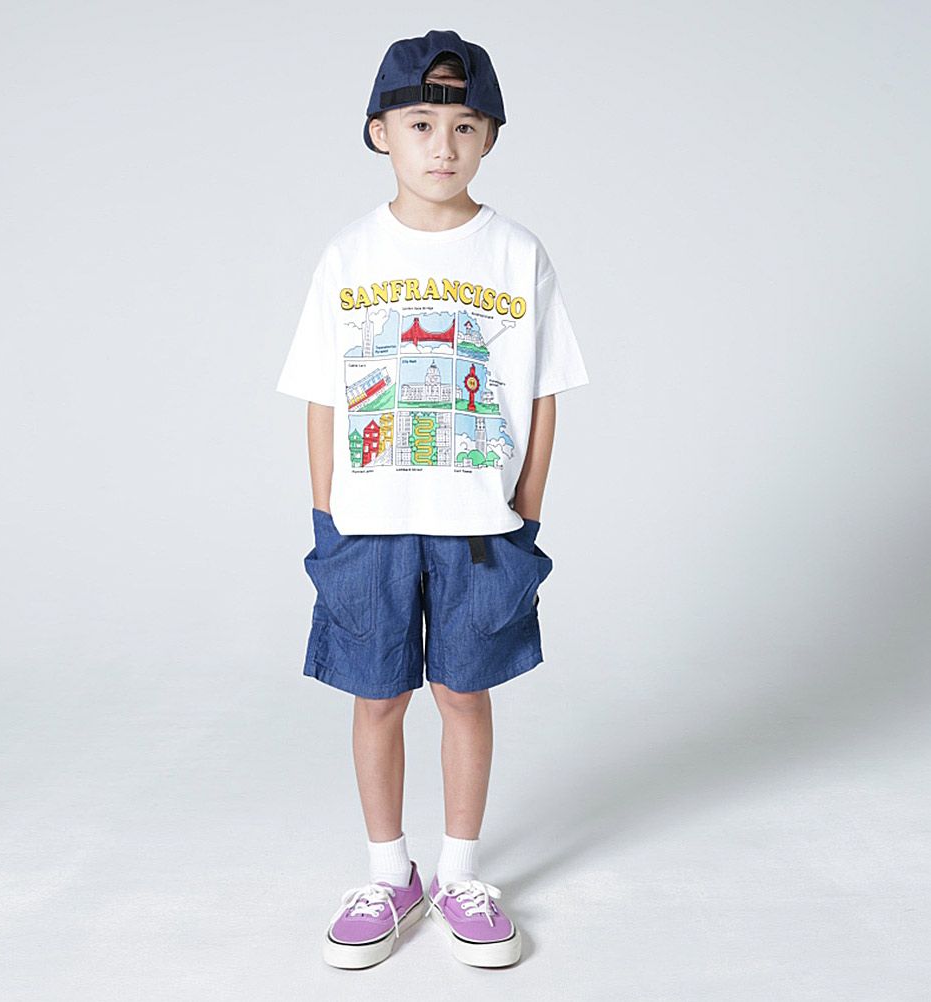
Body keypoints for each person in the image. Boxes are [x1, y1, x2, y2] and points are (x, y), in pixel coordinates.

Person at [275, 29, 590, 970]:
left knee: (463, 691)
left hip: (481, 523)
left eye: (463, 126)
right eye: (420, 124)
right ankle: (388, 873)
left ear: (489, 137)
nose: (442, 146)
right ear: (381, 133)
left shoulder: (517, 254)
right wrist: (327, 514)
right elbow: (321, 397)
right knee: (376, 696)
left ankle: (461, 874)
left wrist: (526, 510)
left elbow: (545, 392)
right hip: (367, 521)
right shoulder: (348, 254)